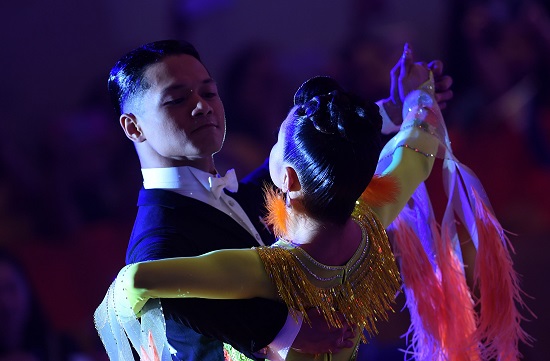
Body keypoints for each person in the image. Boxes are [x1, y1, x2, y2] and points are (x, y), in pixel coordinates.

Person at [101, 39, 453, 361]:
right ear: (133, 127)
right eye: (178, 99)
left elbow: (310, 163)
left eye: (208, 92)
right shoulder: (158, 240)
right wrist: (417, 107)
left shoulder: (261, 195)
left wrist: (379, 114)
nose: (201, 107)